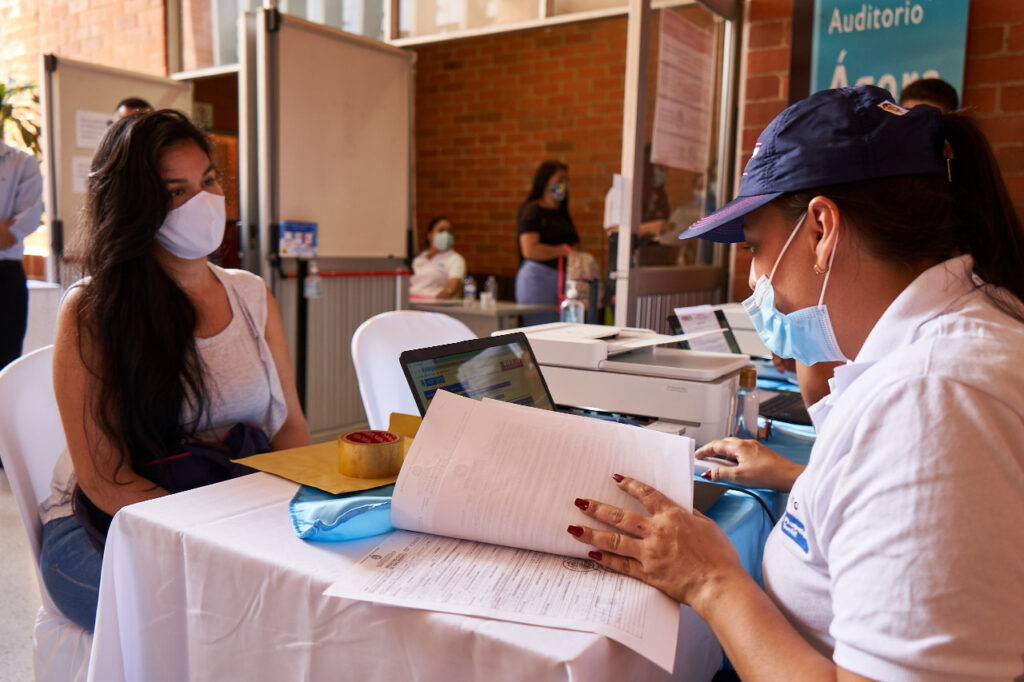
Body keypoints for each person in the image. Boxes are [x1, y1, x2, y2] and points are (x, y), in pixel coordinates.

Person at [567, 85, 1024, 680]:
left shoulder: (932, 399)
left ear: (821, 230)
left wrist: (711, 580)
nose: (754, 280)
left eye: (756, 248)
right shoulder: (947, 350)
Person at [37, 110, 311, 631]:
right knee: (208, 622)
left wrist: (303, 508)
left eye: (208, 181)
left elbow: (289, 426)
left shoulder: (250, 294)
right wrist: (210, 541)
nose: (203, 202)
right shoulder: (95, 310)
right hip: (108, 522)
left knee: (301, 600)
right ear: (136, 204)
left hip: (220, 502)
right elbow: (104, 478)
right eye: (174, 191)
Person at [515, 160, 579, 324]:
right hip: (538, 280)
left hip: (563, 281)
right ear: (545, 181)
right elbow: (529, 250)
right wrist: (563, 251)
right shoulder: (533, 210)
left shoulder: (562, 213)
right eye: (559, 180)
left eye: (566, 180)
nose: (564, 185)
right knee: (542, 330)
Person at [0, 137, 42, 372]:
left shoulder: (22, 163)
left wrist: (6, 231)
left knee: (5, 366)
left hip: (5, 278)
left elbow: (20, 227)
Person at [409, 216, 466, 300]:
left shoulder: (455, 259)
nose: (445, 234)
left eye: (449, 231)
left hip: (435, 305)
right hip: (411, 303)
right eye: (441, 230)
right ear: (430, 235)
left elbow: (452, 289)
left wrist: (445, 294)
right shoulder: (419, 259)